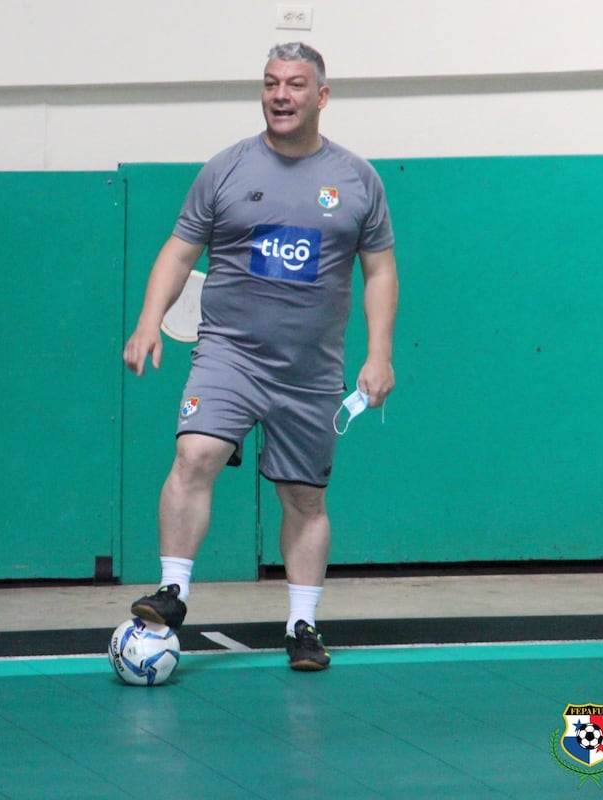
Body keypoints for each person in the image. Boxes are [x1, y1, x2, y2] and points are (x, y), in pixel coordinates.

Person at [122, 42, 398, 671]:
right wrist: (149, 322)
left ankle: (303, 626)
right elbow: (179, 250)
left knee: (304, 498)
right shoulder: (226, 169)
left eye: (296, 85)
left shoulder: (358, 179)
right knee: (194, 453)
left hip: (311, 371)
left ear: (321, 97)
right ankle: (173, 590)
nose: (281, 94)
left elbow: (380, 270)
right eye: (271, 83)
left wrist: (379, 354)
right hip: (230, 354)